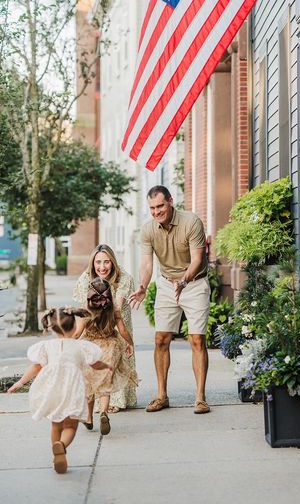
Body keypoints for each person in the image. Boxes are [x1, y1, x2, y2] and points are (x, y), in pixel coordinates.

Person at [128, 185, 211, 415]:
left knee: (197, 339)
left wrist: (184, 281)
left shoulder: (191, 222)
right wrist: (143, 286)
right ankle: (162, 395)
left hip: (193, 284)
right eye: (152, 208)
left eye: (160, 206)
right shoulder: (148, 230)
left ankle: (200, 398)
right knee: (161, 339)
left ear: (171, 201)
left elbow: (197, 258)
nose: (156, 212)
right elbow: (146, 264)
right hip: (166, 284)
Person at [7, 307, 111, 474]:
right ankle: (62, 446)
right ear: (74, 325)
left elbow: (35, 367)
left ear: (52, 328)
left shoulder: (46, 347)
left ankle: (56, 453)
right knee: (71, 425)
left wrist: (19, 383)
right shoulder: (81, 346)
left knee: (56, 424)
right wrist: (107, 365)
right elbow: (95, 364)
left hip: (52, 389)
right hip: (72, 389)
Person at [73, 244, 137, 413]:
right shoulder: (85, 279)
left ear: (113, 262)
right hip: (94, 323)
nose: (102, 267)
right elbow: (83, 310)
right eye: (98, 262)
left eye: (107, 262)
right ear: (92, 263)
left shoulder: (123, 277)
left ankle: (117, 400)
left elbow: (118, 306)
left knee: (119, 359)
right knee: (96, 363)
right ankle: (98, 399)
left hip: (117, 319)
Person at [75, 277, 138, 435]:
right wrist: (130, 343)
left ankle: (89, 418)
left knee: (89, 384)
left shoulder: (86, 310)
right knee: (105, 384)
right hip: (109, 347)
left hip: (89, 348)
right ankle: (104, 412)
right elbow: (123, 331)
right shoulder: (114, 308)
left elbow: (77, 333)